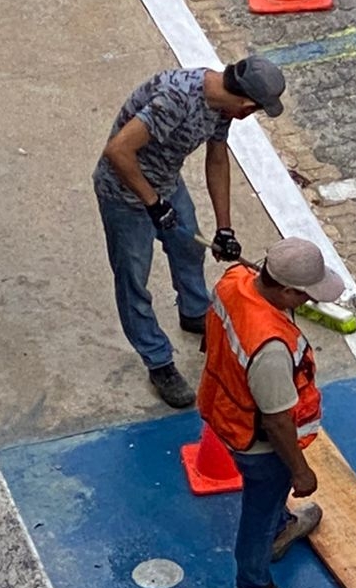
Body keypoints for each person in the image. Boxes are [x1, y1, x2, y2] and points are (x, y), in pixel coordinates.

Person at [93, 57, 287, 408]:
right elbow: (118, 150)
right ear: (246, 106)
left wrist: (224, 227)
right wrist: (153, 203)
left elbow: (217, 158)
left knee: (188, 248)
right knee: (133, 278)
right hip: (124, 193)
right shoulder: (176, 100)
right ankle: (158, 360)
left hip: (166, 183)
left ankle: (194, 311)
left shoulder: (221, 107)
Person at [197, 237, 344, 588]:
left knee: (268, 506)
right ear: (285, 289)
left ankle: (281, 527)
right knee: (259, 512)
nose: (308, 303)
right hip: (258, 443)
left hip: (225, 410)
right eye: (305, 296)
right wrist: (300, 471)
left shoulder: (234, 281)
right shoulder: (271, 348)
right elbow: (278, 422)